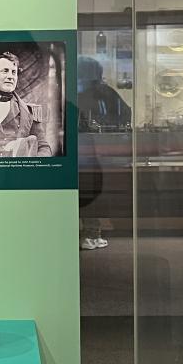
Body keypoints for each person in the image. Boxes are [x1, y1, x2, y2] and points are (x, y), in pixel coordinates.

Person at [77, 56, 130, 250]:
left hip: (80, 155)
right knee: (91, 196)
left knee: (83, 195)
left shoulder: (72, 92)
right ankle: (91, 234)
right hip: (96, 155)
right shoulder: (106, 93)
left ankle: (83, 233)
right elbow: (125, 115)